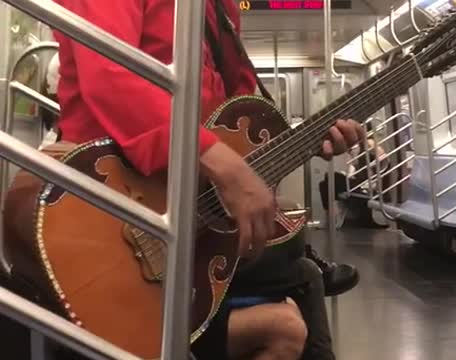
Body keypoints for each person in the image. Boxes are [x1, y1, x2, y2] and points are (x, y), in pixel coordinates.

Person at [48, 0, 365, 358]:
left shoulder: (220, 7)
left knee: (300, 266)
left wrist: (305, 140)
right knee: (300, 285)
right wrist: (217, 161)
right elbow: (109, 76)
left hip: (182, 188)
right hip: (113, 192)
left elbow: (233, 111)